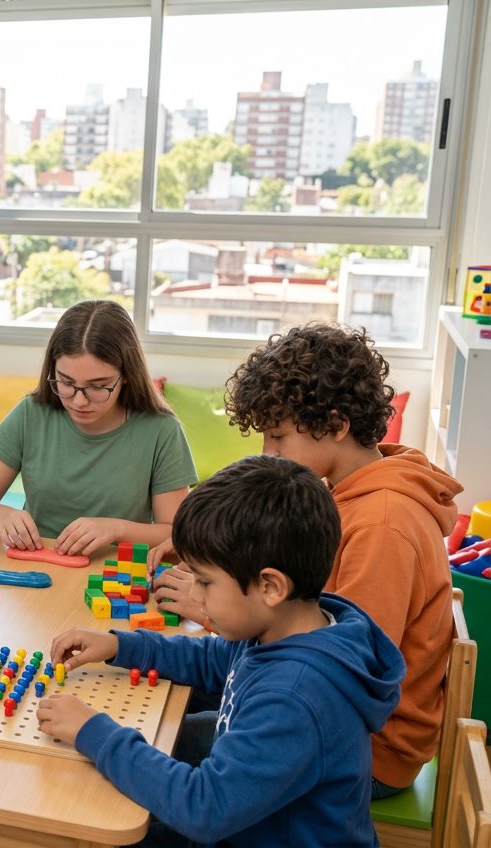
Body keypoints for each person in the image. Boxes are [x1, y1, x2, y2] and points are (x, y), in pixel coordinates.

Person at [153, 323, 461, 798]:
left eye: (277, 437)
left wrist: (211, 611)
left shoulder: (383, 524)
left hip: (363, 747)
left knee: (163, 733)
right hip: (322, 709)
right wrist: (214, 555)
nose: (267, 453)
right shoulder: (351, 488)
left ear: (336, 426)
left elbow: (339, 669)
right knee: (164, 694)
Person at [37, 455, 404, 847]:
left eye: (205, 583)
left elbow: (204, 809)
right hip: (245, 824)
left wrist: (96, 733)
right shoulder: (284, 627)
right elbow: (212, 659)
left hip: (235, 827)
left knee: (84, 828)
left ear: (271, 587)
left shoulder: (294, 697)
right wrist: (121, 644)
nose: (194, 595)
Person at [0, 299, 196, 556]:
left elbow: (176, 534)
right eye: (66, 382)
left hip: (115, 574)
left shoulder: (161, 430)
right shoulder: (31, 412)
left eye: (98, 386)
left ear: (127, 375)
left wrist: (115, 529)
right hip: (37, 565)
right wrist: (1, 515)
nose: (79, 400)